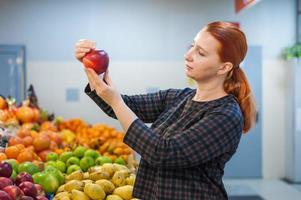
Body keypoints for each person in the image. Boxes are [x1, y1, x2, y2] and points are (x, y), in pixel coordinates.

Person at [74, 21, 256, 200]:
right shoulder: (178, 98)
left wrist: (116, 102)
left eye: (200, 53)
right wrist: (93, 70)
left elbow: (163, 153)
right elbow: (121, 106)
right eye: (192, 46)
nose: (188, 55)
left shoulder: (226, 115)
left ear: (224, 67)